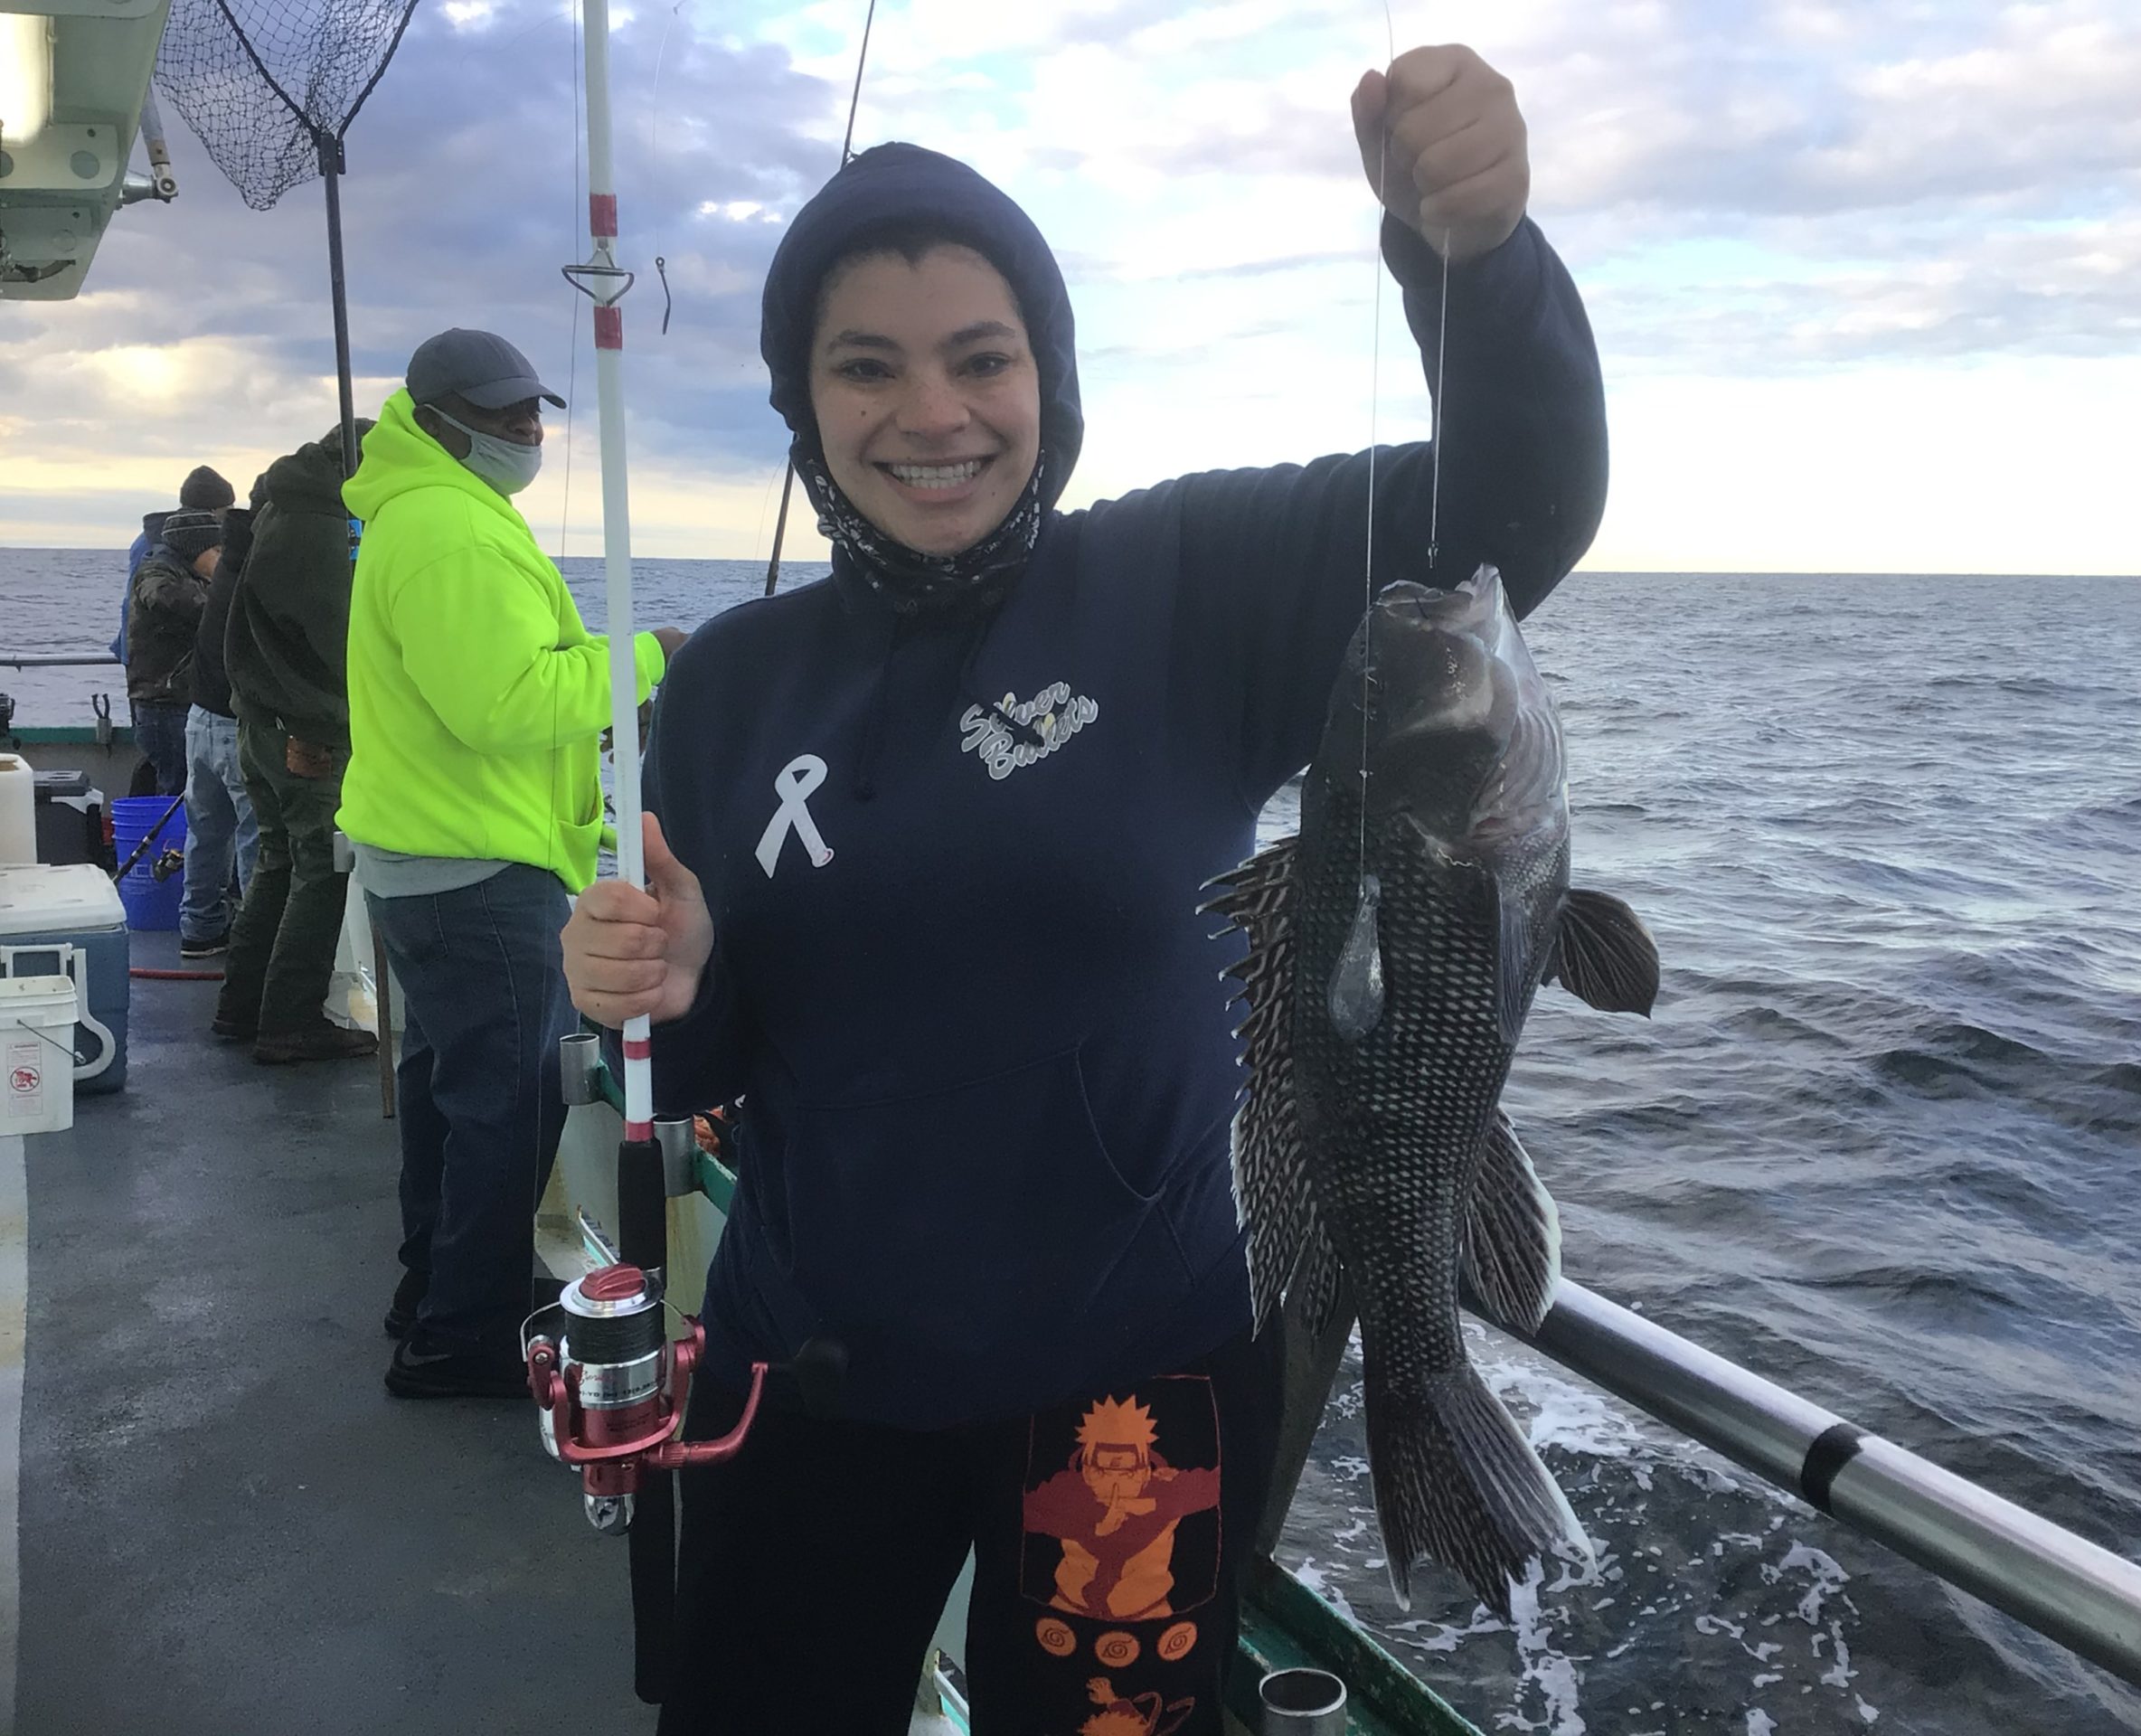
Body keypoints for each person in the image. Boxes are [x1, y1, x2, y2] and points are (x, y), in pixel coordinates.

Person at [561, 46, 1607, 1736]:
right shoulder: (732, 688)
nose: (934, 413)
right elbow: (706, 1071)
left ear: (1049, 378)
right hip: (812, 1379)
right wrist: (662, 992)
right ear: (802, 407)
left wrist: (1471, 260)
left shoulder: (1189, 580)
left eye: (985, 359)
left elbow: (1513, 512)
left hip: (1134, 1397)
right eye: (866, 368)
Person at [339, 328, 686, 1399]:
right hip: (478, 875)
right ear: (439, 421)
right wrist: (651, 652)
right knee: (506, 1109)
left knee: (451, 1099)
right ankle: (462, 1338)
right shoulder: (451, 533)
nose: (526, 430)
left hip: (431, 864)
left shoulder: (430, 515)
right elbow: (505, 704)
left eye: (531, 411)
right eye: (500, 416)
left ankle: (431, 1294)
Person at [215, 421, 378, 1063]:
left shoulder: (276, 508)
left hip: (259, 723)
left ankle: (241, 1007)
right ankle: (287, 1019)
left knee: (277, 862)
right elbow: (344, 646)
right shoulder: (323, 529)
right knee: (321, 871)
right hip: (307, 734)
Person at [178, 497, 263, 959]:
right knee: (255, 837)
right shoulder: (261, 571)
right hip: (235, 725)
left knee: (206, 833)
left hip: (199, 720)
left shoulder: (226, 568)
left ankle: (200, 925)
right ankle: (254, 941)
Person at [125, 511, 225, 797]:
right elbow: (163, 596)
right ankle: (172, 842)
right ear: (195, 550)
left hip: (187, 700)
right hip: (163, 703)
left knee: (194, 792)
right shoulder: (156, 573)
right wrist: (221, 600)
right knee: (177, 790)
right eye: (217, 551)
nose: (222, 559)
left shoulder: (193, 576)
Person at [118, 465, 234, 662]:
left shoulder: (145, 540)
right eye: (227, 510)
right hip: (160, 661)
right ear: (212, 512)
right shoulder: (157, 556)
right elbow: (155, 597)